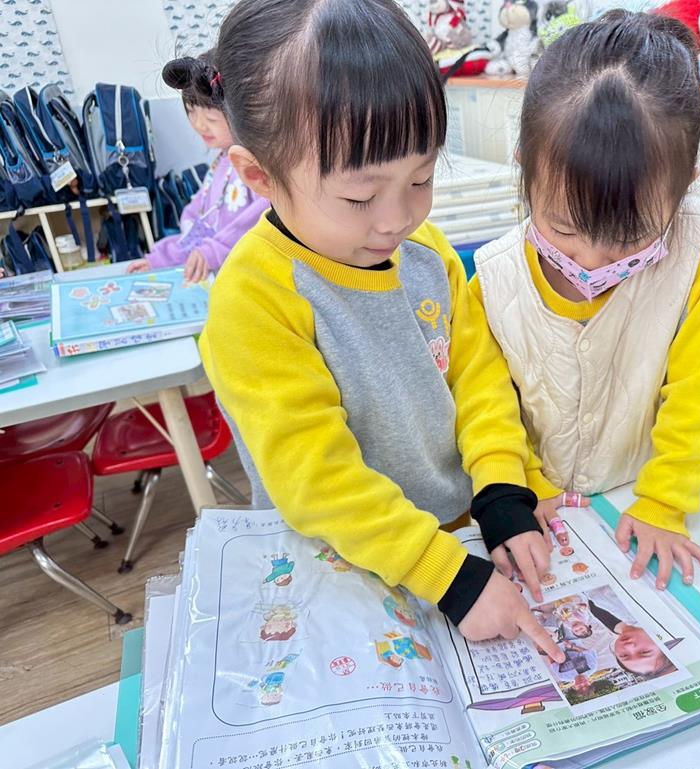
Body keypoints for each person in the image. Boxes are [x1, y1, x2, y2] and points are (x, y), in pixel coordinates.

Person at [197, 0, 562, 660]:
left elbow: (478, 378)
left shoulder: (427, 255)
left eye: (421, 178)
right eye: (360, 197)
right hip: (342, 566)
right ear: (258, 175)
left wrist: (502, 489)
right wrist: (446, 576)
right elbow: (318, 479)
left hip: (458, 543)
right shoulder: (253, 300)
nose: (397, 219)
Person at [471, 11, 700, 589]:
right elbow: (485, 402)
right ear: (525, 168)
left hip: (637, 498)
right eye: (564, 228)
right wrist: (519, 484)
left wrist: (664, 499)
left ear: (684, 186)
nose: (592, 260)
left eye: (628, 235)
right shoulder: (492, 276)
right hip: (539, 507)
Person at [126, 50, 268, 282]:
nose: (199, 125)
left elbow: (262, 218)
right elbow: (199, 225)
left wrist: (213, 250)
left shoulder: (257, 163)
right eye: (191, 112)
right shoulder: (221, 162)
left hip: (249, 278)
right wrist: (161, 260)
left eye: (211, 118)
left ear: (243, 112)